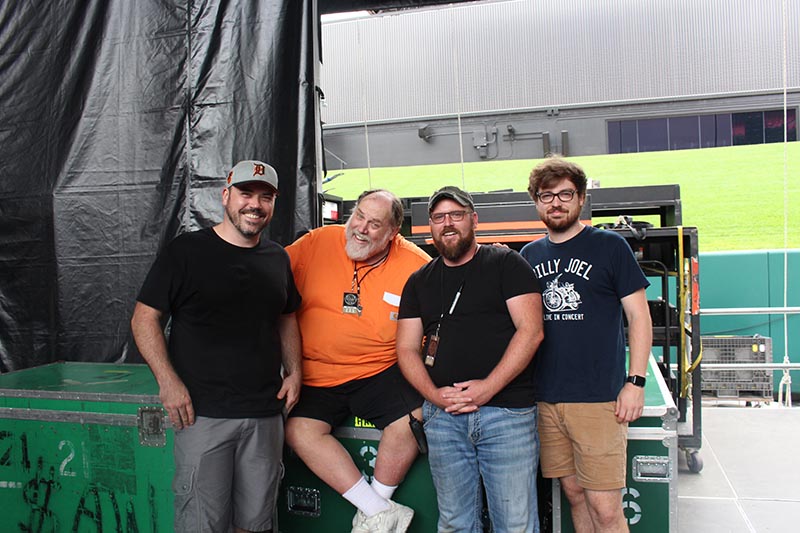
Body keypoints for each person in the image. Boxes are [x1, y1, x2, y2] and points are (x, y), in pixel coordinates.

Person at [131, 160, 302, 533]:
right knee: (202, 524)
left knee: (256, 524)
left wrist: (295, 371)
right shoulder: (187, 252)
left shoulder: (277, 258)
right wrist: (168, 381)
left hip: (264, 415)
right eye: (246, 194)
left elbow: (287, 316)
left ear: (273, 205)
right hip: (203, 415)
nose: (254, 205)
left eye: (265, 197)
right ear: (226, 196)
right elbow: (144, 319)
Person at [396, 186, 545, 533]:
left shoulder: (507, 263)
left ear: (474, 220)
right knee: (455, 523)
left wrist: (486, 389)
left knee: (516, 524)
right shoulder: (419, 281)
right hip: (444, 419)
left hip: (506, 414)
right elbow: (405, 349)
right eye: (438, 218)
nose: (447, 224)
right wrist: (435, 397)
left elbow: (531, 332)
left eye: (456, 215)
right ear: (429, 227)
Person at [284, 189, 431, 533]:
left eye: (374, 224)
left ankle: (374, 514)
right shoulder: (317, 242)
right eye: (359, 216)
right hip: (316, 371)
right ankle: (377, 510)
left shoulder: (416, 265)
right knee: (298, 430)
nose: (361, 228)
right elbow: (267, 274)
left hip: (378, 369)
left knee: (413, 418)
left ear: (394, 232)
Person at [519, 157, 653, 533]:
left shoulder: (610, 247)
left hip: (598, 400)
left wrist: (635, 382)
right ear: (536, 202)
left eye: (565, 194)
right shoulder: (529, 256)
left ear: (580, 199)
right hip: (546, 399)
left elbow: (639, 318)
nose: (556, 203)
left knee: (606, 509)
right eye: (547, 196)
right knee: (574, 493)